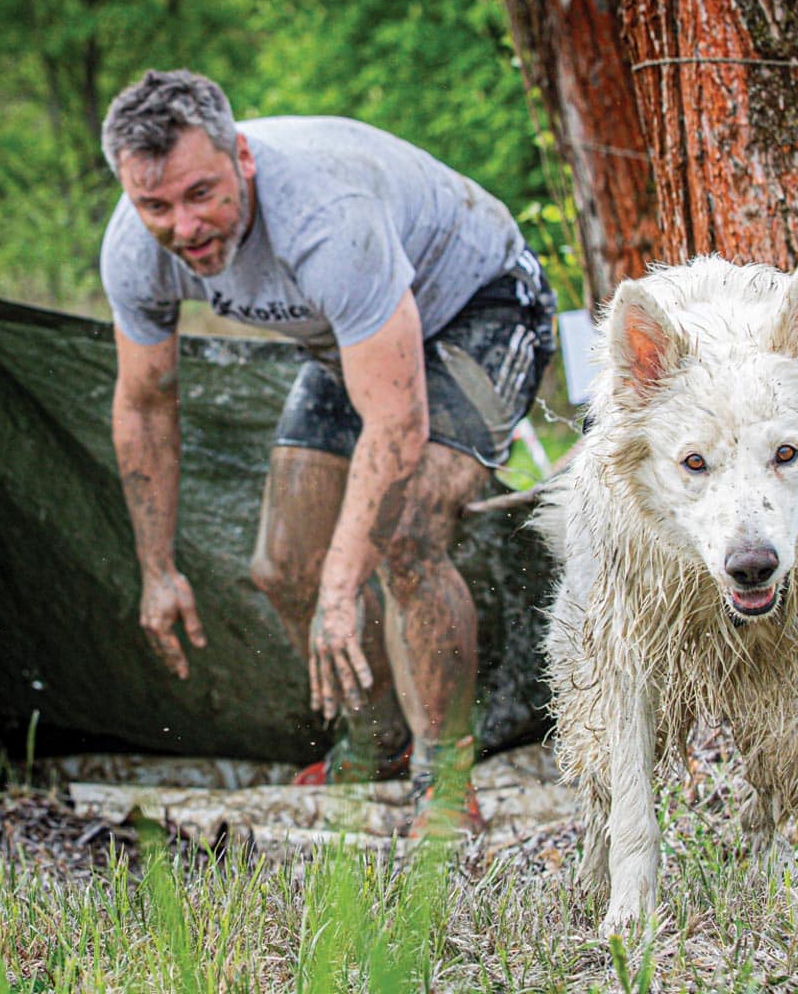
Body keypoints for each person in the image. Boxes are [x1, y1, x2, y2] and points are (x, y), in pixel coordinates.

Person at [98, 69, 553, 827]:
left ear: (242, 157)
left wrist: (349, 585)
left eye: (201, 194)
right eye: (156, 205)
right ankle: (377, 745)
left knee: (404, 536)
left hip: (481, 309)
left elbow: (398, 424)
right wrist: (156, 568)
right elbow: (146, 404)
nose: (184, 228)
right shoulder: (133, 249)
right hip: (354, 347)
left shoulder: (325, 215)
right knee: (285, 568)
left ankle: (444, 785)